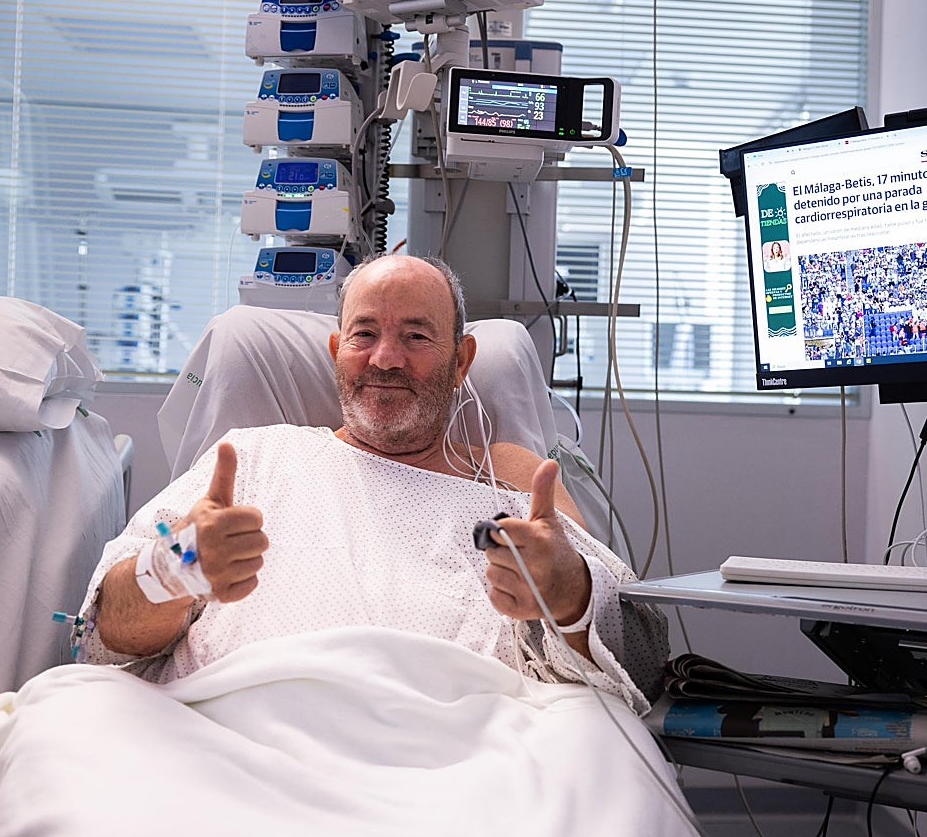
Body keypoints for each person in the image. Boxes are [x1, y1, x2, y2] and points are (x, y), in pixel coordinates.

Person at [77, 253, 669, 712]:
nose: (385, 358)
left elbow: (641, 658)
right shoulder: (255, 456)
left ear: (462, 361)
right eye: (364, 334)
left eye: (415, 335)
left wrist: (570, 594)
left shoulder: (511, 477)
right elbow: (105, 635)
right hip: (230, 732)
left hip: (458, 749)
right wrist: (176, 566)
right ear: (338, 350)